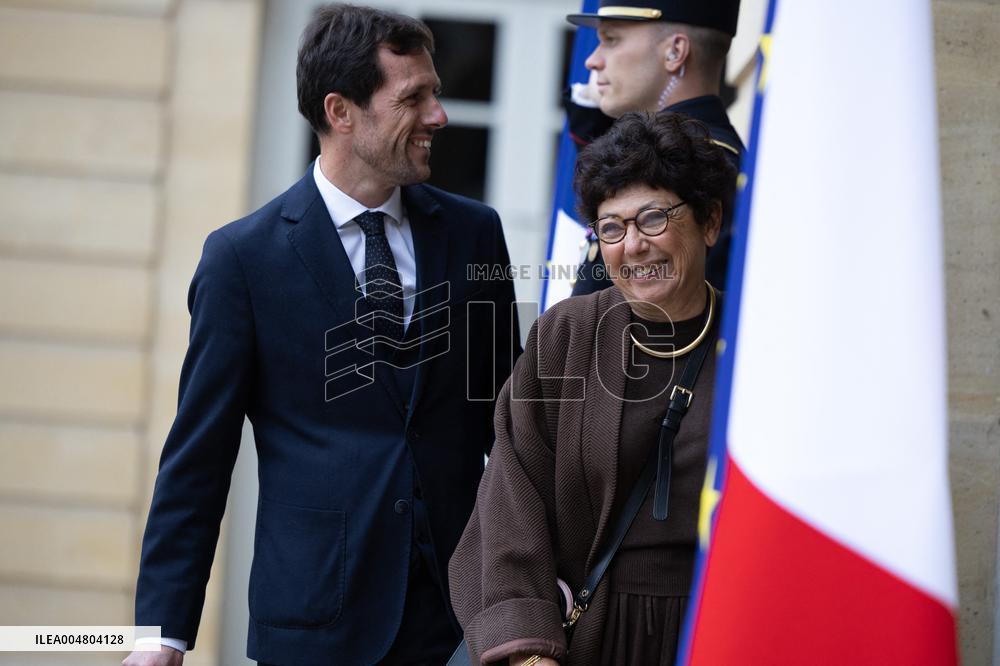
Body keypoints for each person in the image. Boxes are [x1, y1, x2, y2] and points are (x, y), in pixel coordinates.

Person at [123, 5, 519, 666]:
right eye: (413, 98)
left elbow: (509, 426)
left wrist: (537, 572)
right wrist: (162, 633)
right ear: (341, 111)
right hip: (315, 619)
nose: (438, 117)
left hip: (459, 617)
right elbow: (198, 458)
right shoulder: (242, 260)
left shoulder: (474, 234)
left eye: (437, 94)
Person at [448, 112, 736, 665]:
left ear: (709, 221)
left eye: (653, 219)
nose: (633, 246)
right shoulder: (568, 334)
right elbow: (512, 491)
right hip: (583, 638)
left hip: (717, 630)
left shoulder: (755, 343)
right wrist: (530, 649)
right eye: (611, 228)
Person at [564, 0, 744, 296]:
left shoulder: (698, 165)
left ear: (675, 52)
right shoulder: (684, 156)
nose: (592, 61)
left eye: (611, 40)